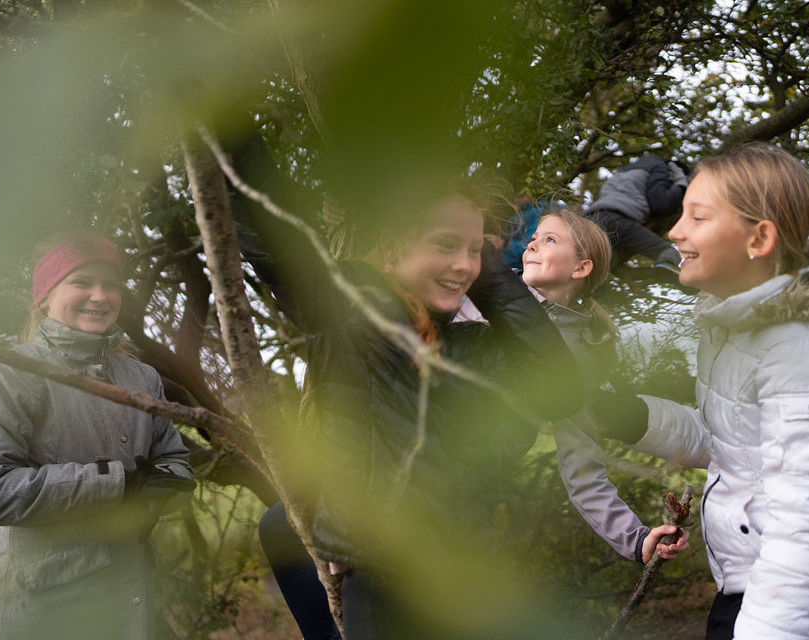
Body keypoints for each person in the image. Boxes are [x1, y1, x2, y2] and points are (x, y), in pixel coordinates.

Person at [228, 132, 582, 640]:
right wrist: (232, 129)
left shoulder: (476, 339)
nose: (463, 263)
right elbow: (275, 231)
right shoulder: (351, 308)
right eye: (443, 244)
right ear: (394, 246)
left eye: (474, 248)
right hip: (384, 580)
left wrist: (486, 273)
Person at [595, 144, 809, 639]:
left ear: (759, 238)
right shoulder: (741, 333)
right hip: (763, 587)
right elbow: (734, 443)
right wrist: (628, 416)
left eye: (697, 217)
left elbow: (807, 522)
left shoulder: (805, 348)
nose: (675, 232)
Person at [0, 235, 196, 640]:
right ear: (44, 298)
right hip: (43, 616)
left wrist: (160, 492)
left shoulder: (141, 378)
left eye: (111, 285)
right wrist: (117, 484)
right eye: (81, 282)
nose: (99, 296)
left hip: (130, 607)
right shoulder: (9, 373)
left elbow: (175, 463)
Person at [520, 208, 689, 564]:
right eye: (533, 239)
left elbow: (583, 469)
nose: (531, 246)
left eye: (549, 239)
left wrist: (637, 540)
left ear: (581, 268)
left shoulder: (575, 356)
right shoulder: (484, 287)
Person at [583, 155, 689, 269]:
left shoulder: (624, 172)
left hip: (589, 220)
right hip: (618, 222)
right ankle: (658, 275)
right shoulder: (661, 168)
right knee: (669, 253)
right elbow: (661, 202)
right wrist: (681, 183)